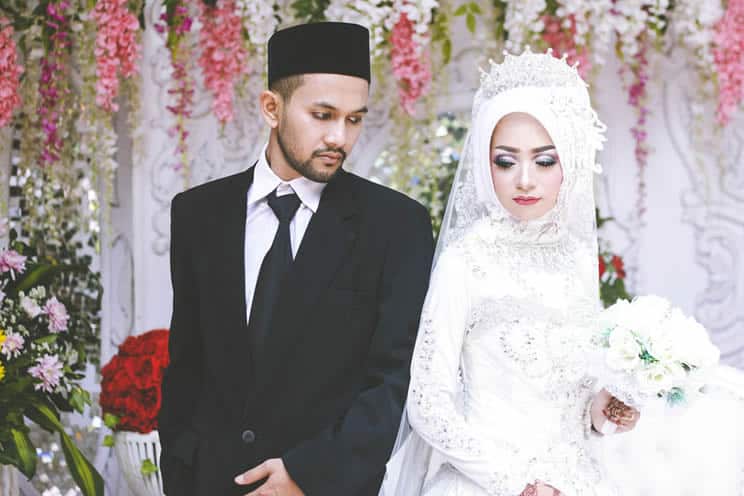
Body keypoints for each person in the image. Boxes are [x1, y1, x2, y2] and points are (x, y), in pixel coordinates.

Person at [379, 49, 744, 496]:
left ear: (568, 160)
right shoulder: (467, 260)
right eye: (506, 161)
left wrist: (603, 410)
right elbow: (427, 404)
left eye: (544, 160)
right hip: (487, 485)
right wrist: (516, 483)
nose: (525, 180)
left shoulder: (575, 259)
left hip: (574, 484)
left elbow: (571, 399)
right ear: (483, 164)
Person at [158, 22, 434, 495]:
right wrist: (182, 469)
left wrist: (310, 474)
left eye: (354, 119)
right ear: (271, 107)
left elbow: (396, 380)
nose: (340, 137)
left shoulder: (397, 225)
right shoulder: (198, 213)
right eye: (322, 114)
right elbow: (187, 363)